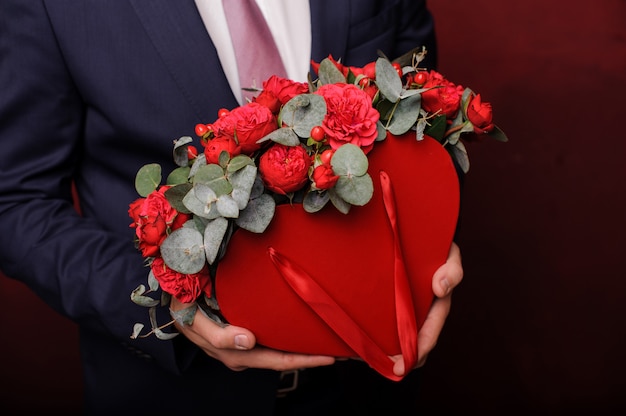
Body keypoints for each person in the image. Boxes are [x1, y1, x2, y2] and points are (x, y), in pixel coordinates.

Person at [0, 0, 463, 414]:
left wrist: (427, 247)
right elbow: (15, 200)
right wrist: (169, 308)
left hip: (369, 382)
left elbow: (420, 133)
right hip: (175, 395)